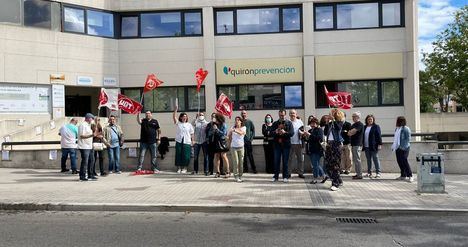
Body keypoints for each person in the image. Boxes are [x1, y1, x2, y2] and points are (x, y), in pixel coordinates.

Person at [271, 109, 294, 183]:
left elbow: (292, 133)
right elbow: (271, 133)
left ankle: (285, 176)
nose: (281, 116)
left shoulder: (289, 123)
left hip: (286, 145)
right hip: (277, 145)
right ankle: (276, 176)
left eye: (283, 115)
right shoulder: (275, 123)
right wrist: (276, 131)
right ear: (278, 115)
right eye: (280, 115)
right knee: (276, 161)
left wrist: (285, 132)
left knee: (285, 162)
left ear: (285, 115)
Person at [324, 109, 344, 191]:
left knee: (335, 164)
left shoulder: (339, 122)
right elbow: (325, 132)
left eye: (331, 114)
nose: (329, 115)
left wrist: (333, 120)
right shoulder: (330, 123)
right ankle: (338, 179)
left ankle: (335, 183)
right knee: (328, 164)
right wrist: (327, 122)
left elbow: (338, 128)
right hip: (329, 144)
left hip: (336, 144)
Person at [304, 116, 326, 184]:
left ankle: (315, 178)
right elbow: (308, 140)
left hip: (317, 150)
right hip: (311, 150)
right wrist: (305, 136)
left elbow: (319, 138)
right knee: (315, 164)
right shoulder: (310, 130)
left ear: (317, 123)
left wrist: (310, 135)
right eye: (311, 123)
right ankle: (323, 176)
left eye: (314, 123)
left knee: (315, 165)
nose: (313, 124)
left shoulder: (319, 130)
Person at [208, 113, 230, 178]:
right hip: (215, 141)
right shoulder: (213, 124)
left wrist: (217, 129)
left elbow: (224, 134)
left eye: (215, 117)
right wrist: (213, 129)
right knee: (216, 156)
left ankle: (228, 171)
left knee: (223, 156)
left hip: (222, 141)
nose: (214, 118)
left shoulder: (223, 124)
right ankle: (217, 172)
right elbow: (209, 133)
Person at [173, 107, 194, 174]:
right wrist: (175, 110)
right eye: (183, 116)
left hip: (187, 141)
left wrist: (192, 141)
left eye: (186, 117)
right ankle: (179, 168)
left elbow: (192, 133)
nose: (184, 118)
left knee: (186, 155)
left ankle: (185, 168)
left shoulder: (189, 125)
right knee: (178, 154)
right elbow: (174, 117)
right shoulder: (178, 123)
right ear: (181, 117)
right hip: (179, 141)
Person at [78, 113, 99, 181]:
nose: (92, 120)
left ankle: (90, 175)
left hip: (89, 146)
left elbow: (93, 134)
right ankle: (82, 176)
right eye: (92, 118)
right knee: (85, 162)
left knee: (92, 160)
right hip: (84, 146)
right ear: (88, 118)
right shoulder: (82, 125)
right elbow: (81, 136)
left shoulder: (88, 125)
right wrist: (92, 135)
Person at [392, 116, 413, 182]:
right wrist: (394, 146)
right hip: (397, 147)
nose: (400, 122)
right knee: (399, 161)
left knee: (404, 161)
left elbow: (408, 138)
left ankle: (410, 175)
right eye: (399, 121)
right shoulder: (397, 129)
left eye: (402, 121)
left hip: (405, 148)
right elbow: (395, 138)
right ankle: (403, 175)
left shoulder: (406, 129)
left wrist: (404, 147)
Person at [363, 114, 382, 179]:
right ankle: (369, 172)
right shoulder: (364, 127)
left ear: (373, 120)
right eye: (368, 119)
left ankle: (378, 172)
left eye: (371, 119)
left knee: (375, 159)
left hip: (374, 146)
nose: (370, 120)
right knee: (368, 159)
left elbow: (379, 136)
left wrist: (379, 144)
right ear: (366, 120)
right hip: (366, 146)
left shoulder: (376, 126)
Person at [228, 116, 246, 182]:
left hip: (241, 147)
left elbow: (242, 133)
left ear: (241, 121)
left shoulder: (244, 128)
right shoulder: (232, 128)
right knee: (236, 162)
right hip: (233, 147)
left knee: (241, 163)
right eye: (236, 120)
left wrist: (235, 130)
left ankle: (240, 175)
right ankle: (236, 176)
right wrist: (228, 141)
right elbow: (229, 136)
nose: (237, 121)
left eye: (238, 120)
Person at [288, 109, 305, 178]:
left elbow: (303, 131)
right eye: (291, 113)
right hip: (289, 143)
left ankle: (300, 173)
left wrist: (302, 134)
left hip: (299, 143)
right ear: (289, 114)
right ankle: (288, 173)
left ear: (296, 114)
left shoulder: (300, 122)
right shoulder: (287, 122)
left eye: (293, 113)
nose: (292, 114)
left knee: (300, 159)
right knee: (289, 159)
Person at [348, 111, 364, 179]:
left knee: (357, 159)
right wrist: (351, 132)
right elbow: (349, 133)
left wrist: (351, 132)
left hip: (357, 144)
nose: (353, 117)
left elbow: (352, 132)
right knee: (355, 159)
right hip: (353, 144)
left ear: (358, 117)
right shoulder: (353, 125)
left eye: (354, 116)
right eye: (352, 116)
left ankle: (360, 175)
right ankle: (357, 173)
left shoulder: (360, 124)